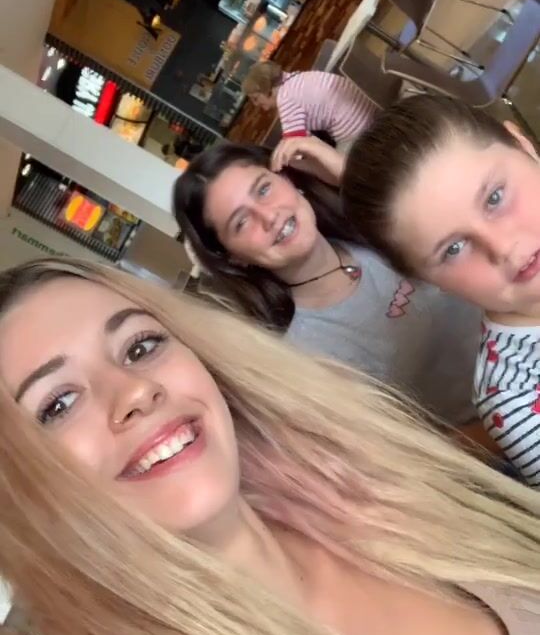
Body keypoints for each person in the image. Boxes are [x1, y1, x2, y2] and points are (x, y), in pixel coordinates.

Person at [0, 258, 538, 635]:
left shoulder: (373, 497)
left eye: (140, 347)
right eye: (58, 405)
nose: (135, 390)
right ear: (22, 505)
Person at [174, 140, 482, 431]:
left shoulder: (372, 223)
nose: (268, 216)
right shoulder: (305, 357)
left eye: (264, 189)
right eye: (241, 222)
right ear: (233, 257)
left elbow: (476, 227)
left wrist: (349, 176)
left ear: (287, 179)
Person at [340, 93, 540, 486]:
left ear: (522, 144)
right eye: (454, 249)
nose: (502, 247)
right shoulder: (515, 399)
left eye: (495, 197)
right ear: (425, 280)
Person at [241, 61, 378, 151]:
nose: (256, 104)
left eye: (256, 98)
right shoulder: (297, 77)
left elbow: (295, 146)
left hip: (358, 132)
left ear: (266, 88)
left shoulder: (285, 100)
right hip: (373, 109)